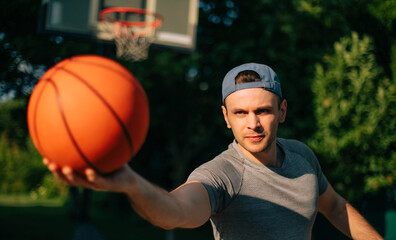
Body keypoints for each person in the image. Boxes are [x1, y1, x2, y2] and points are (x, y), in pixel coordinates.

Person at [44, 63, 383, 240]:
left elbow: (335, 206)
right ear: (226, 118)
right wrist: (132, 184)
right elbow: (176, 211)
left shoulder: (302, 156)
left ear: (281, 111)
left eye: (263, 111)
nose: (253, 124)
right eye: (240, 113)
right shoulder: (223, 174)